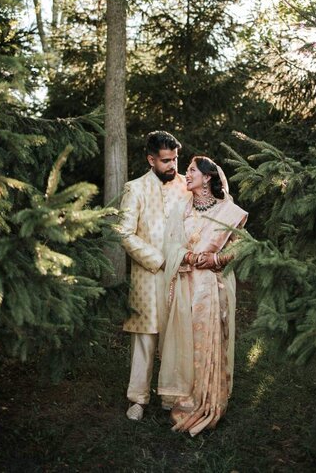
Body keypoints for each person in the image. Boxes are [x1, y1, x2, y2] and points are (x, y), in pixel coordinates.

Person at [158, 156, 247, 436]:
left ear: (208, 177)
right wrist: (187, 255)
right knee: (185, 338)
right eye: (187, 171)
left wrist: (217, 259)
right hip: (185, 283)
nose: (187, 174)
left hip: (211, 286)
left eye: (192, 170)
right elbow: (169, 246)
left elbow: (242, 248)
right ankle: (185, 396)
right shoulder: (181, 210)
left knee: (207, 339)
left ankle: (208, 399)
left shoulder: (227, 211)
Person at [119, 131, 190, 421]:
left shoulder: (188, 185)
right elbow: (123, 233)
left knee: (177, 335)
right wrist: (159, 261)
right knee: (145, 338)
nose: (172, 165)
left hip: (182, 274)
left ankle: (171, 395)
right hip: (147, 277)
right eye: (165, 160)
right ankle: (138, 398)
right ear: (151, 160)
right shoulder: (134, 188)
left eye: (175, 159)